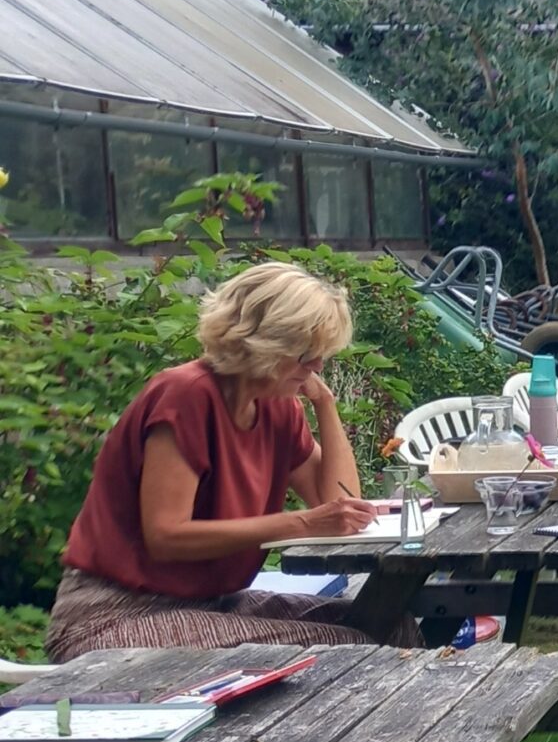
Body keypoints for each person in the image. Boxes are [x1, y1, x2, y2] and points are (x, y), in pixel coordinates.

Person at [48, 262, 392, 661]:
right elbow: (166, 536)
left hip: (210, 604)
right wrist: (300, 524)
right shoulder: (185, 395)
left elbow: (336, 502)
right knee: (354, 648)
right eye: (306, 354)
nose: (316, 366)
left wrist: (325, 404)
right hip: (115, 614)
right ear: (263, 343)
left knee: (387, 626)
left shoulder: (278, 404)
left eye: (323, 356)